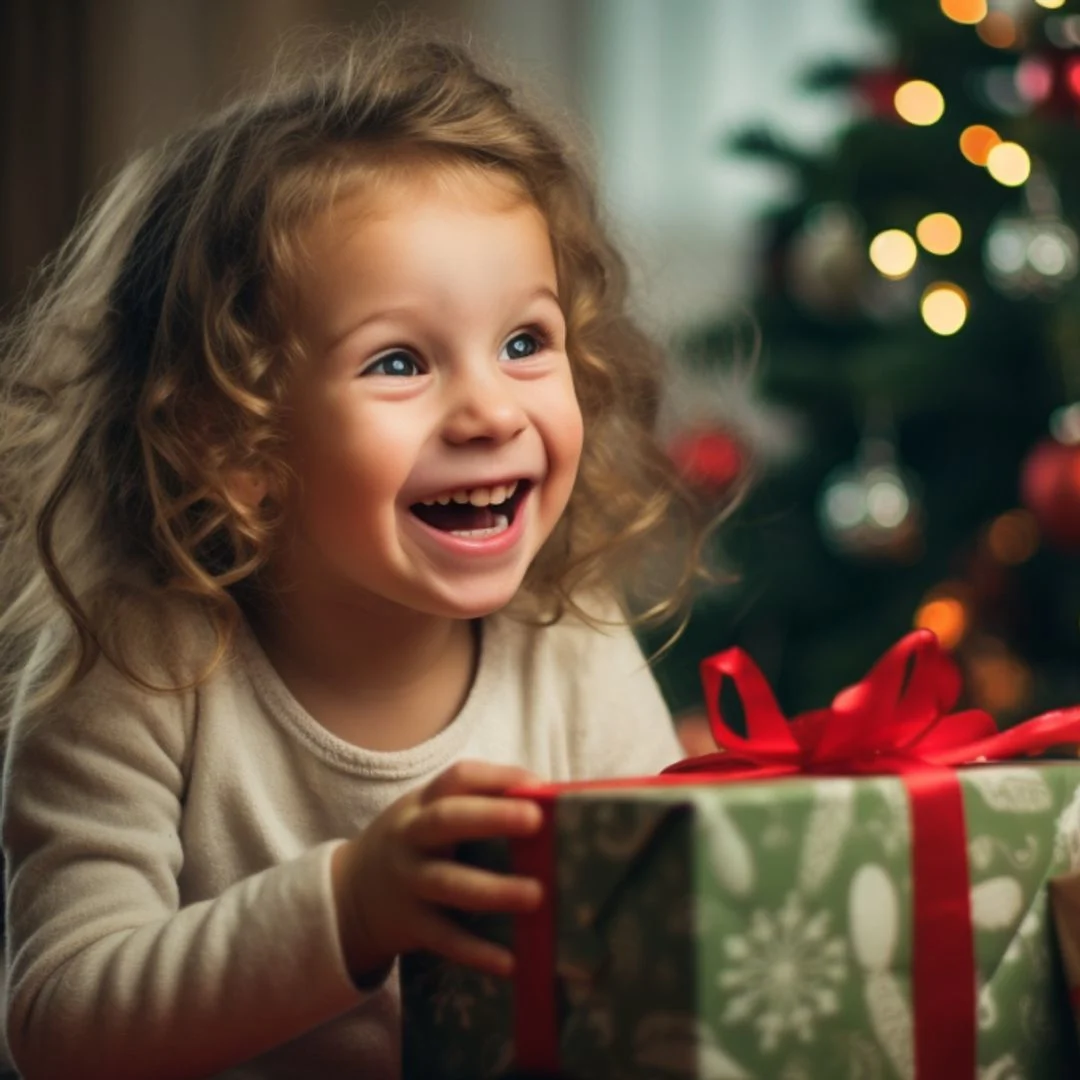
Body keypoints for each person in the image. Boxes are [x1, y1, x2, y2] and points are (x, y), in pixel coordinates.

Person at [0, 23, 716, 1080]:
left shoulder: (571, 644)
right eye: (398, 360)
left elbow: (659, 951)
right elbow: (59, 1022)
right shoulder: (138, 665)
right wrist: (349, 906)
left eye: (526, 343)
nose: (489, 411)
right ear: (229, 438)